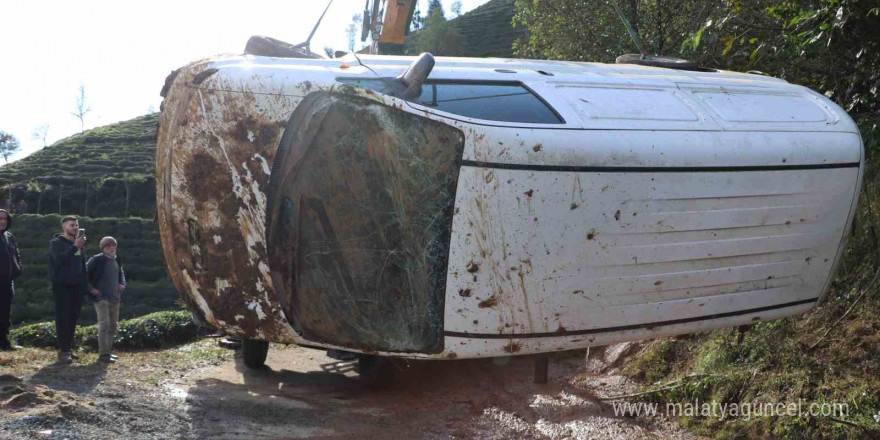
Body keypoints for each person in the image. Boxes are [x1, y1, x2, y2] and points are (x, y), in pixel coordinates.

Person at [48, 216, 88, 363]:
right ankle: (63, 350)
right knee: (63, 318)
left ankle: (68, 348)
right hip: (62, 286)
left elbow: (83, 265)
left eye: (77, 225)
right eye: (72, 225)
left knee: (73, 318)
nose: (75, 228)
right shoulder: (56, 243)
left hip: (77, 287)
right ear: (63, 227)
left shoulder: (79, 243)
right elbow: (59, 259)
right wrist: (75, 247)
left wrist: (85, 284)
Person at [86, 237, 125, 363]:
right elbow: (83, 275)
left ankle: (107, 352)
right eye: (108, 246)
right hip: (101, 298)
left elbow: (121, 275)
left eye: (113, 245)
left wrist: (122, 285)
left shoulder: (117, 259)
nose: (111, 248)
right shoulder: (96, 259)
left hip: (115, 297)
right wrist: (91, 289)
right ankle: (103, 354)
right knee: (105, 324)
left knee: (113, 326)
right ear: (102, 248)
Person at [0, 209, 23, 351]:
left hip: (8, 282)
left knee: (5, 312)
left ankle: (4, 342)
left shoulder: (9, 237)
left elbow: (17, 254)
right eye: (0, 219)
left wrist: (18, 267)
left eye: (5, 219)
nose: (2, 221)